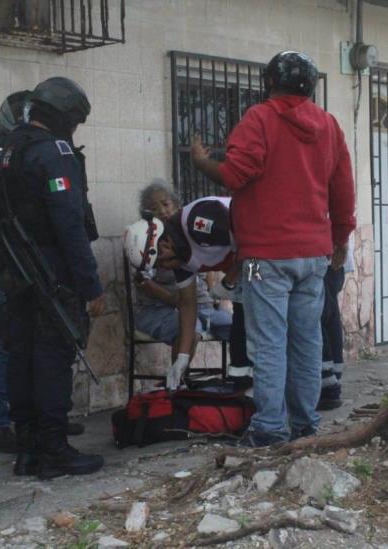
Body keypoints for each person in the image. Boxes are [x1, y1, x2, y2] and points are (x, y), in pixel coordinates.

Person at [190, 51, 356, 446]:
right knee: (306, 340)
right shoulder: (329, 125)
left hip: (267, 255)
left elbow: (234, 174)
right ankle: (304, 423)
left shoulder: (260, 118)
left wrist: (200, 162)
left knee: (269, 343)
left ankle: (269, 428)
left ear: (270, 82)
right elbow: (343, 188)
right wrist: (341, 238)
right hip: (314, 253)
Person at [0, 92, 85, 456]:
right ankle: (0, 424)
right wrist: (6, 228)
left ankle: (47, 422)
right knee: (9, 344)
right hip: (10, 266)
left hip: (42, 266)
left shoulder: (49, 157)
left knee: (51, 344)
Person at [0, 77, 105, 478]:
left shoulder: (5, 149)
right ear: (65, 118)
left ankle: (27, 450)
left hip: (15, 269)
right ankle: (54, 452)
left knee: (22, 359)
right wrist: (90, 284)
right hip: (52, 271)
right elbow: (69, 224)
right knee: (51, 361)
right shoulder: (53, 153)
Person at [125, 195, 237, 389]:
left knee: (257, 324)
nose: (165, 267)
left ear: (164, 243)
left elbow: (251, 242)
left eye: (161, 262)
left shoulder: (197, 222)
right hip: (250, 263)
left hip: (271, 250)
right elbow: (187, 304)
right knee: (248, 323)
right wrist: (182, 358)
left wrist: (230, 281)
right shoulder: (180, 258)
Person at [133, 179, 232, 359]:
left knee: (239, 327)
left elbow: (245, 250)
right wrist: (173, 299)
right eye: (154, 209)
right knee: (189, 329)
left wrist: (217, 291)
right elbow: (142, 280)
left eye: (165, 204)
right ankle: (178, 382)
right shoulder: (145, 240)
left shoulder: (192, 226)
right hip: (163, 308)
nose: (162, 211)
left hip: (204, 305)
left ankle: (243, 377)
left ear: (176, 204)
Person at [318, 241, 355, 410]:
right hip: (327, 261)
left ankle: (328, 384)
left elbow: (251, 256)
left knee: (320, 323)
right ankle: (331, 380)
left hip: (320, 261)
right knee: (328, 319)